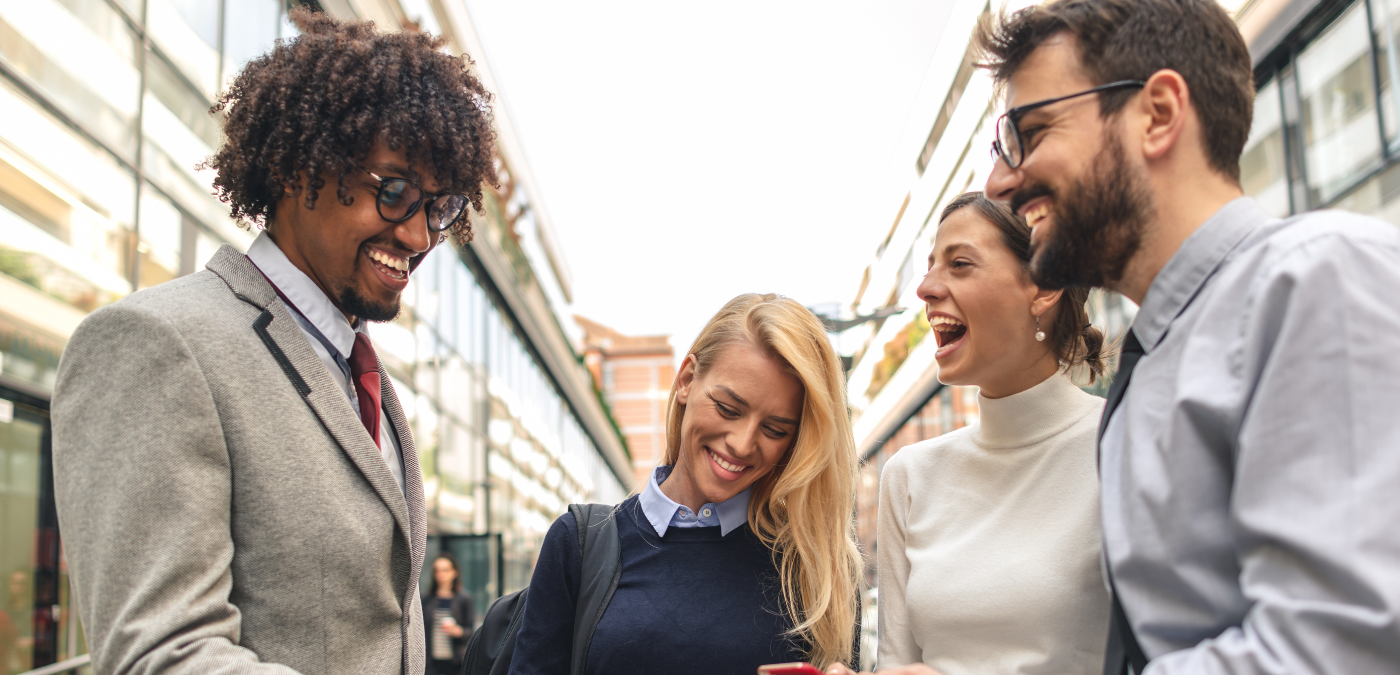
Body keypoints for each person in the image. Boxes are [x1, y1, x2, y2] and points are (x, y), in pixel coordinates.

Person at [50, 9, 497, 674]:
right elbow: (162, 654)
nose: (419, 236)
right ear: (297, 169)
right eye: (395, 190)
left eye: (439, 207)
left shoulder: (358, 372)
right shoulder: (156, 343)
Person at [968, 0, 1400, 673]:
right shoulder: (1158, 354)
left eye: (1032, 131)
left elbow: (1335, 646)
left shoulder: (1318, 277)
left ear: (1160, 112)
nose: (1000, 181)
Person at [508, 294, 863, 674]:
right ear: (687, 379)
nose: (742, 444)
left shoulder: (819, 568)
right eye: (728, 409)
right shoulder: (578, 544)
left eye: (774, 429)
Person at [834, 193, 1110, 675]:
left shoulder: (1122, 445)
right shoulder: (910, 476)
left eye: (959, 264)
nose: (924, 288)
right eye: (930, 267)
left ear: (1043, 288)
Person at [424, 553, 475, 675]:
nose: (440, 574)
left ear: (454, 572)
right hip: (431, 663)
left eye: (445, 570)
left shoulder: (463, 599)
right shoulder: (426, 599)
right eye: (437, 570)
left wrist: (459, 631)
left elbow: (471, 631)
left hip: (455, 662)